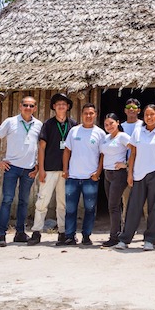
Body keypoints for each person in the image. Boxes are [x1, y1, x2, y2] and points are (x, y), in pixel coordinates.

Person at [115, 104, 155, 251]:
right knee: (133, 207)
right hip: (139, 174)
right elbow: (132, 154)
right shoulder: (138, 132)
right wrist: (130, 173)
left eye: (152, 114)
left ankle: (150, 240)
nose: (149, 117)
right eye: (146, 115)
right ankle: (125, 239)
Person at [0, 96, 42, 247]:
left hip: (29, 169)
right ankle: (1, 235)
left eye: (31, 106)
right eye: (25, 105)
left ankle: (20, 233)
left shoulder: (38, 124)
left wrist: (38, 166)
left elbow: (41, 147)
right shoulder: (10, 122)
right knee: (7, 200)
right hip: (12, 167)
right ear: (20, 106)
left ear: (35, 108)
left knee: (24, 202)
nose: (28, 108)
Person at [28, 93, 74, 246]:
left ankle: (62, 232)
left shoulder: (73, 125)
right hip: (49, 169)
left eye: (64, 104)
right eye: (58, 104)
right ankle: (36, 232)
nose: (61, 106)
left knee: (63, 203)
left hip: (66, 171)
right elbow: (41, 148)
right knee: (42, 201)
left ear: (67, 107)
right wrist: (41, 169)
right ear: (54, 107)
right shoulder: (47, 124)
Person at [62, 103, 105, 246]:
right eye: (86, 113)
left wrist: (98, 172)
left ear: (95, 115)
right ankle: (69, 236)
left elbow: (102, 155)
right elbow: (67, 151)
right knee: (70, 209)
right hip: (73, 177)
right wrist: (65, 170)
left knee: (90, 209)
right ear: (82, 114)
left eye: (91, 113)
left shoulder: (100, 133)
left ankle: (86, 235)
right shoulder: (74, 131)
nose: (88, 116)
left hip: (90, 178)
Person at [100, 113, 130, 247]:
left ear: (118, 122)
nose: (109, 126)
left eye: (111, 123)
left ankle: (114, 237)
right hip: (107, 174)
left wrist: (127, 164)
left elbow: (136, 149)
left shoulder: (122, 136)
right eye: (106, 125)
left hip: (118, 174)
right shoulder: (106, 138)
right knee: (113, 206)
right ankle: (117, 233)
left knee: (113, 206)